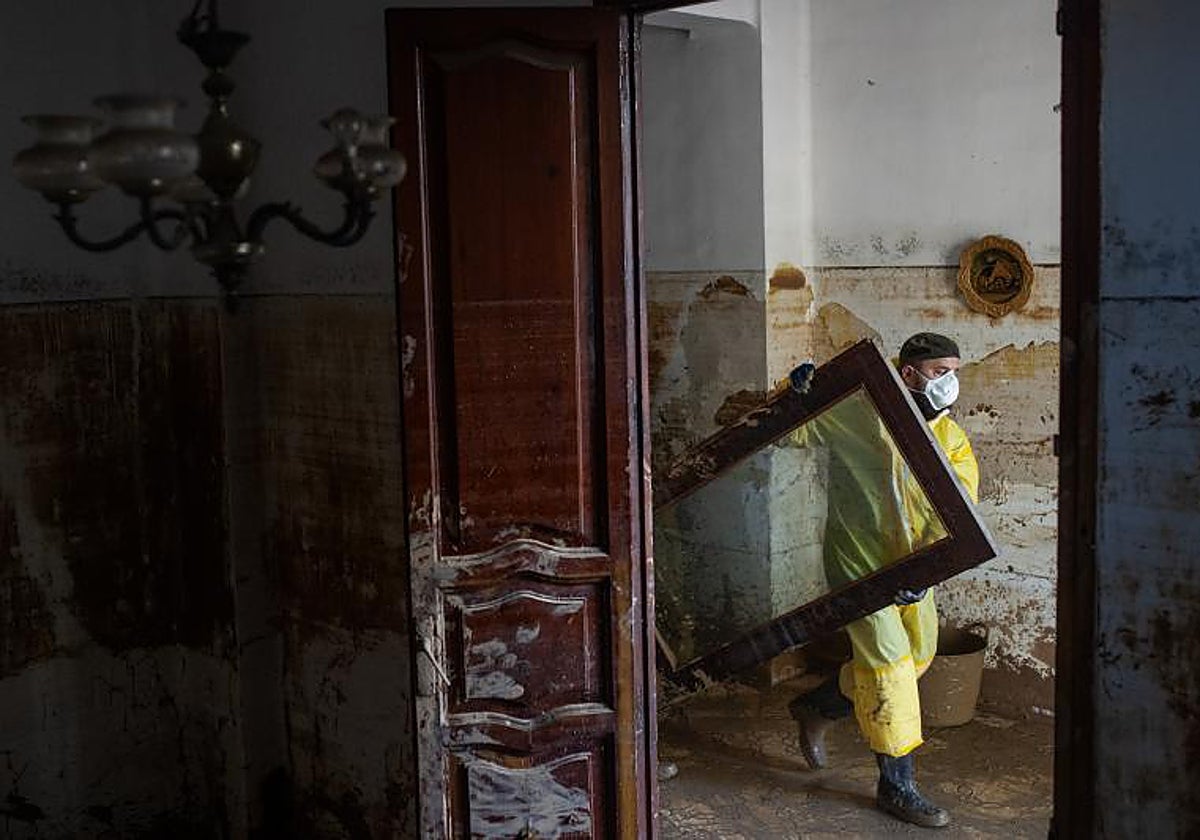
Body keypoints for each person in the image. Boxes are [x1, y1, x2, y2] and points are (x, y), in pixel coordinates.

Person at [786, 332, 979, 829]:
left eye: (954, 371)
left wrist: (931, 568)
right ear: (908, 373)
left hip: (916, 571)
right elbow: (790, 432)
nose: (950, 383)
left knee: (917, 657)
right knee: (891, 667)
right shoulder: (853, 414)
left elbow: (961, 513)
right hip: (859, 564)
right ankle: (897, 786)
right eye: (940, 372)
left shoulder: (951, 438)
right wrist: (796, 393)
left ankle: (817, 704)